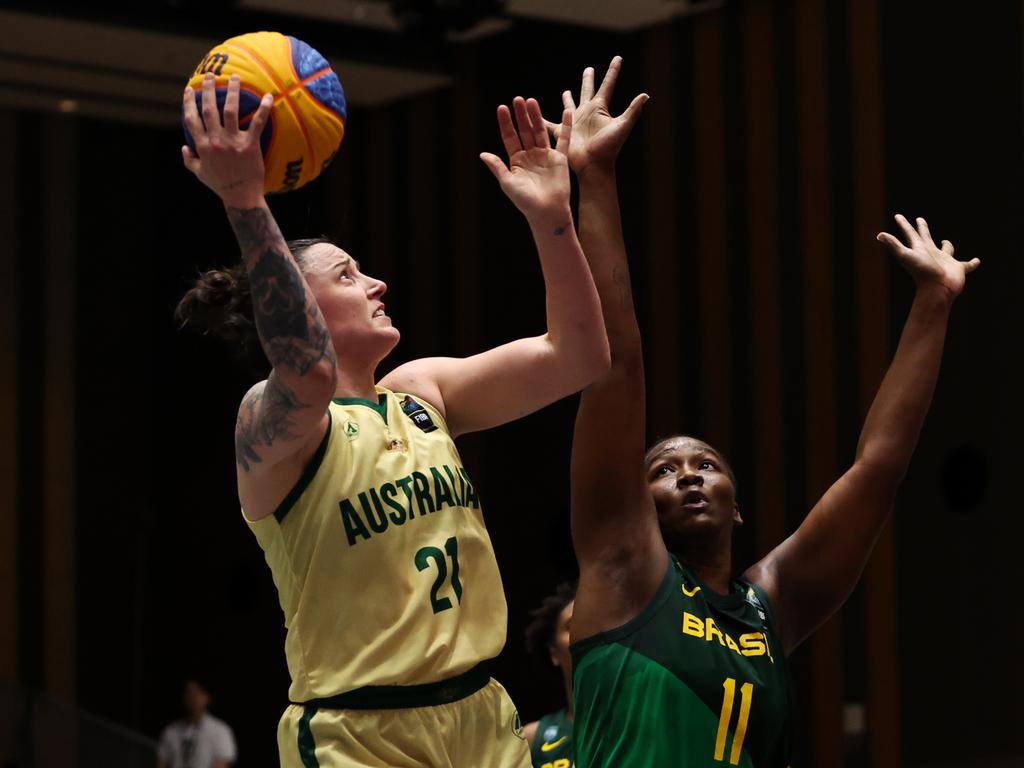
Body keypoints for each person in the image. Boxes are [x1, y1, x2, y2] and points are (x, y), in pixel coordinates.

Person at [548, 58, 980, 766]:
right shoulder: (623, 563)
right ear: (634, 497)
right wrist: (593, 177)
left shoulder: (768, 608)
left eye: (707, 465)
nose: (689, 476)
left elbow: (876, 470)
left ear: (737, 507)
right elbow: (616, 362)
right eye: (664, 469)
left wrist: (934, 305)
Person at [176, 73, 609, 767]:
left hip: (479, 717)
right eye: (347, 276)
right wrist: (245, 201)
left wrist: (550, 216)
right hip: (359, 734)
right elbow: (311, 373)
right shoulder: (272, 425)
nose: (376, 284)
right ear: (297, 305)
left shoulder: (422, 391)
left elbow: (580, 356)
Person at [523, 583, 576, 768]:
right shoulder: (531, 739)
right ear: (554, 653)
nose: (584, 631)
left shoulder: (641, 722)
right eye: (572, 625)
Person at [156, 679, 236, 768]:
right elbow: (162, 762)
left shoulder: (220, 731)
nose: (192, 698)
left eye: (196, 694)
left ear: (207, 697)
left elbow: (221, 764)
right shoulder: (170, 731)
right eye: (188, 693)